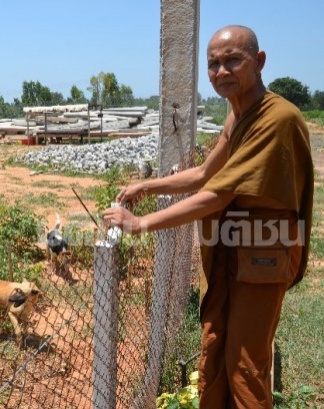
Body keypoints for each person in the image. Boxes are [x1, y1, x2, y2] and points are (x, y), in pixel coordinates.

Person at [102, 25, 313, 408]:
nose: (221, 72)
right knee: (216, 352)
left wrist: (141, 223)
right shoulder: (238, 115)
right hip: (233, 250)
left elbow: (217, 194)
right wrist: (147, 187)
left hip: (263, 254)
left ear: (259, 61)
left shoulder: (276, 118)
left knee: (246, 367)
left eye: (233, 60)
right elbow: (205, 174)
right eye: (213, 64)